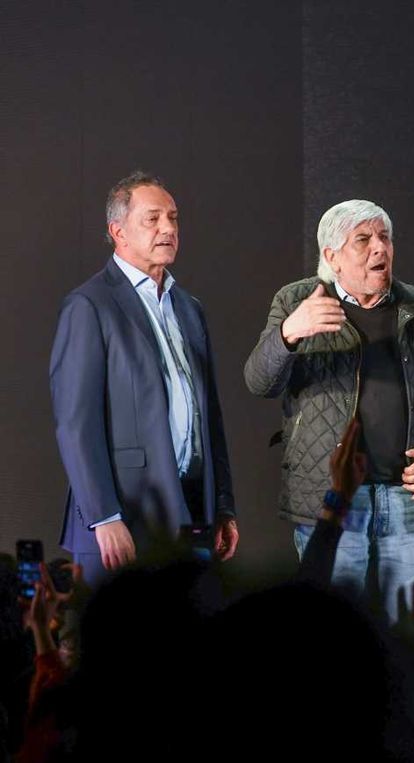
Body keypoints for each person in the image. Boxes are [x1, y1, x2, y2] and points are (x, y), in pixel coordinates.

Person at [244, 199, 414, 689]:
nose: (379, 249)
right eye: (363, 240)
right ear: (332, 256)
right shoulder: (298, 300)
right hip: (332, 506)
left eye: (384, 238)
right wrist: (290, 332)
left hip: (409, 501)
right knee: (327, 654)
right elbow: (259, 382)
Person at [50, 172, 238, 586]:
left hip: (191, 515)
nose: (168, 228)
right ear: (118, 232)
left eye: (173, 217)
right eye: (152, 219)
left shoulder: (189, 307)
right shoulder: (90, 305)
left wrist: (223, 505)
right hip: (122, 522)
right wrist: (104, 516)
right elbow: (75, 423)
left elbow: (210, 417)